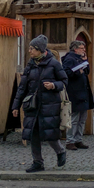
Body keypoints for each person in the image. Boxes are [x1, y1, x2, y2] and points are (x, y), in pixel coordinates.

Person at [12, 35, 68, 173]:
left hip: (49, 105)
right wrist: (15, 106)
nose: (30, 51)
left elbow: (65, 82)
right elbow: (22, 87)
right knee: (33, 135)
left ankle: (60, 151)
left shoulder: (54, 64)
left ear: (40, 50)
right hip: (32, 105)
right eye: (30, 48)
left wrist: (54, 85)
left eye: (32, 49)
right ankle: (37, 162)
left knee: (49, 134)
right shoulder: (30, 65)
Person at [62, 40, 94, 151]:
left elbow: (87, 71)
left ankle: (78, 139)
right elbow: (66, 73)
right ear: (75, 49)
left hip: (83, 92)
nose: (84, 50)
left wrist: (85, 62)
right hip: (75, 93)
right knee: (74, 119)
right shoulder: (69, 59)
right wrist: (78, 72)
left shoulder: (80, 58)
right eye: (81, 48)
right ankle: (70, 141)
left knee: (82, 118)